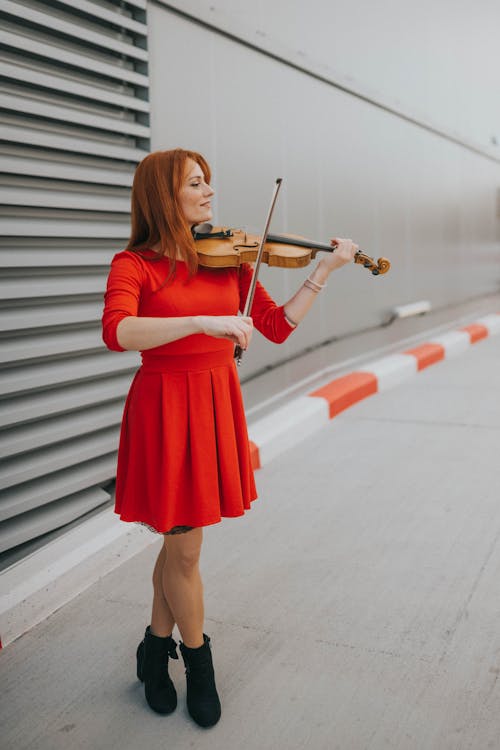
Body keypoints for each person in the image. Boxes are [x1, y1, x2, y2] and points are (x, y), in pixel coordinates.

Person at [101, 148, 358, 728]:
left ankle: (152, 649)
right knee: (186, 547)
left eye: (208, 182)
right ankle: (198, 663)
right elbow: (117, 331)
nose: (210, 193)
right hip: (165, 408)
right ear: (165, 196)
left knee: (176, 541)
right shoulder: (133, 264)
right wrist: (200, 322)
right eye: (197, 183)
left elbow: (276, 326)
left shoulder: (230, 260)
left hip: (215, 403)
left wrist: (324, 270)